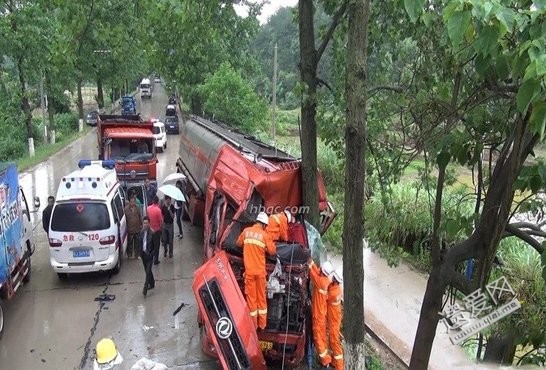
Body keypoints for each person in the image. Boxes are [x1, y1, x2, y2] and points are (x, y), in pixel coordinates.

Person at [236, 212, 276, 330]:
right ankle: (262, 325)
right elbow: (273, 251)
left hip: (249, 273)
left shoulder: (246, 232)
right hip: (260, 273)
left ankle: (253, 326)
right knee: (262, 299)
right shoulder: (264, 235)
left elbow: (238, 243)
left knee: (252, 300)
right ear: (264, 225)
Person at [308, 258, 334, 367]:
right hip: (322, 314)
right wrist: (312, 262)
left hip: (317, 315)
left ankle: (325, 360)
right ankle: (325, 355)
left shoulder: (320, 282)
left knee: (317, 337)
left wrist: (309, 265)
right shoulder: (326, 279)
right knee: (322, 335)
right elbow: (318, 271)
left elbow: (313, 274)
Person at [327, 269, 344, 370]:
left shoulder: (333, 293)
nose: (331, 278)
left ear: (335, 280)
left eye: (333, 277)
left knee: (334, 342)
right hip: (335, 318)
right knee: (333, 342)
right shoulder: (336, 288)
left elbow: (325, 296)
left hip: (334, 321)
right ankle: (334, 363)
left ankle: (339, 367)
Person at [139, 217, 155, 296]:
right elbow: (140, 243)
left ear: (149, 223)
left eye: (146, 223)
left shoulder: (152, 233)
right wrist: (140, 254)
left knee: (148, 271)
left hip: (149, 255)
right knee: (147, 271)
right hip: (143, 255)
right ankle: (152, 283)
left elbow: (155, 247)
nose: (145, 225)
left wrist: (152, 255)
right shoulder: (141, 232)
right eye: (144, 223)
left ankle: (145, 288)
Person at [124, 194, 142, 258]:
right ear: (129, 202)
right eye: (131, 201)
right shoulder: (126, 209)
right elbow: (125, 220)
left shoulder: (137, 207)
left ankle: (136, 255)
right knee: (130, 243)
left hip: (137, 228)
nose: (132, 203)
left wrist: (141, 224)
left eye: (133, 201)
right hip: (130, 229)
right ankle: (129, 255)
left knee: (137, 243)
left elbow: (140, 216)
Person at [146, 195, 163, 265]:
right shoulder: (158, 210)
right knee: (156, 246)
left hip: (149, 230)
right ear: (158, 202)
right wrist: (161, 229)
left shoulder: (148, 208)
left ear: (153, 201)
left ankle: (150, 258)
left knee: (151, 245)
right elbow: (161, 221)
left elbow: (146, 218)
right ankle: (156, 260)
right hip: (156, 231)